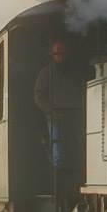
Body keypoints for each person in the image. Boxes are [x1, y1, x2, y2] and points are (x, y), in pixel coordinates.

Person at [32, 39, 83, 170]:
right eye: (57, 54)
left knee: (79, 144)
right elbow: (38, 95)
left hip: (75, 113)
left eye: (61, 53)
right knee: (57, 146)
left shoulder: (76, 72)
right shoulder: (46, 73)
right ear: (52, 55)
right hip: (55, 115)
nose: (59, 56)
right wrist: (50, 110)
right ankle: (58, 169)